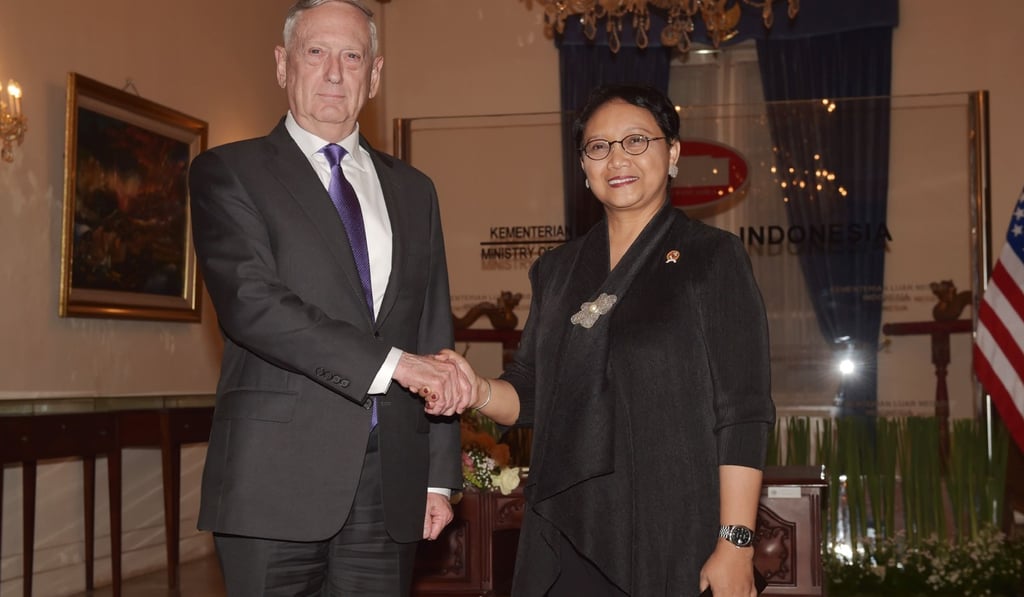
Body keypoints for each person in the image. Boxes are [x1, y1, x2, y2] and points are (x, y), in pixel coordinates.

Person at [439, 83, 775, 596]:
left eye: (637, 141)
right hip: (567, 529)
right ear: (584, 167)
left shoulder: (712, 258)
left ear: (674, 152)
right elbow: (531, 391)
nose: (617, 158)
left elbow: (743, 411)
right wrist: (477, 389)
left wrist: (735, 543)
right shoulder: (556, 270)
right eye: (599, 147)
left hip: (674, 533)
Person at [187, 1, 473, 594]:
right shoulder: (229, 173)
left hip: (389, 484)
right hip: (272, 483)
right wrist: (394, 365)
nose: (335, 72)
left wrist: (439, 477)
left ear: (374, 74)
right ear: (282, 64)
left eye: (352, 56)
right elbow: (253, 305)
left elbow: (431, 332)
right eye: (316, 52)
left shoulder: (415, 191)